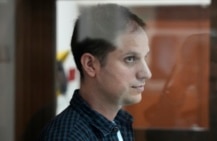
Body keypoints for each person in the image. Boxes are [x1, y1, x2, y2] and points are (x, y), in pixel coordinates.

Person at [38, 3, 151, 141]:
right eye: (130, 59)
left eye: (144, 57)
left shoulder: (118, 123)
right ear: (90, 65)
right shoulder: (68, 137)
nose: (146, 73)